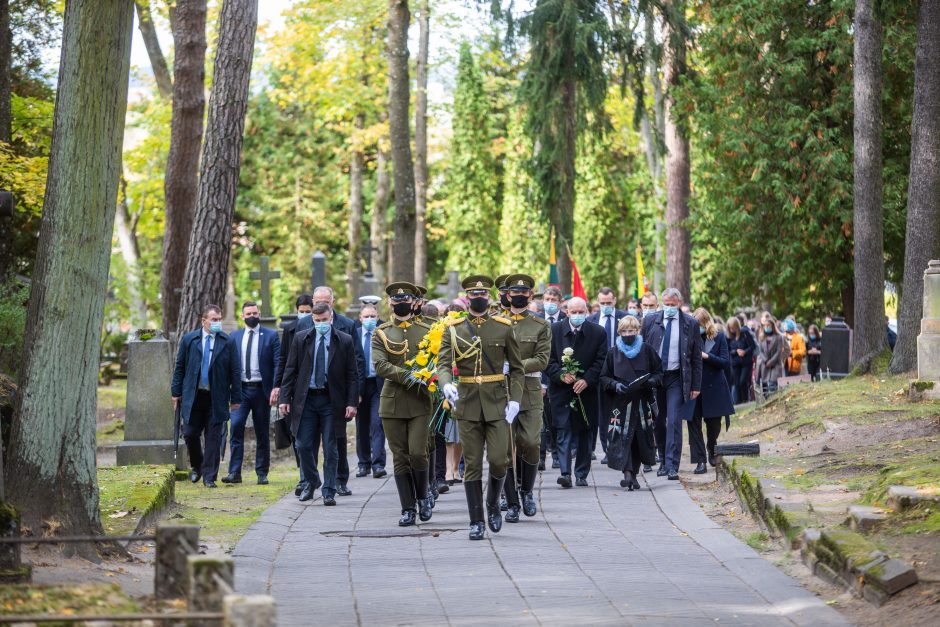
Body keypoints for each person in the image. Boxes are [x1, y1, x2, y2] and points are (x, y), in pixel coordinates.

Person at [437, 275, 524, 541]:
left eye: (482, 294)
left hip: (498, 402)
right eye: (473, 294)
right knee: (472, 464)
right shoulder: (454, 328)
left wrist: (515, 399)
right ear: (467, 298)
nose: (478, 298)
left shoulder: (503, 326)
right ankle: (476, 520)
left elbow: (518, 369)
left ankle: (493, 503)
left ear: (489, 297)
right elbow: (442, 363)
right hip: (467, 404)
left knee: (500, 460)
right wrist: (446, 384)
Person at [279, 302, 358, 506]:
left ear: (331, 318)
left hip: (332, 401)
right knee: (302, 444)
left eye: (324, 320)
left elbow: (352, 375)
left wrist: (351, 402)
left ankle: (329, 490)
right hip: (306, 400)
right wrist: (283, 399)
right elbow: (290, 370)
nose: (321, 324)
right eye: (317, 321)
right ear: (312, 320)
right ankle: (312, 481)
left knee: (331, 447)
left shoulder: (344, 340)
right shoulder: (301, 338)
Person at [372, 282, 435, 526]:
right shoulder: (382, 332)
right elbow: (380, 365)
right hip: (393, 403)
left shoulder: (428, 330)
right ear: (390, 303)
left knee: (418, 453)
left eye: (405, 299)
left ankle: (422, 497)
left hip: (420, 401)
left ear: (414, 302)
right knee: (400, 457)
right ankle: (407, 508)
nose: (401, 304)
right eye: (396, 300)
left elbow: (438, 358)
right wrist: (409, 376)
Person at [171, 304, 242, 488]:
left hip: (216, 397)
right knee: (189, 433)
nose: (218, 323)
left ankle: (209, 477)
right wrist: (175, 393)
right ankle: (197, 466)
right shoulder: (189, 340)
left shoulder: (227, 342)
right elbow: (179, 367)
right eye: (214, 320)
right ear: (204, 321)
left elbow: (235, 371)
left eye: (219, 319)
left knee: (213, 438)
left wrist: (236, 398)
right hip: (193, 396)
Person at [500, 274, 551, 523]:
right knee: (506, 448)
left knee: (530, 442)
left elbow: (542, 359)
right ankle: (511, 501)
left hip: (529, 390)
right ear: (508, 295)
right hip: (501, 391)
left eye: (524, 292)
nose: (519, 296)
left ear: (530, 295)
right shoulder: (495, 322)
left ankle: (527, 491)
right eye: (514, 293)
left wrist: (514, 365)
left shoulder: (540, 325)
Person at [544, 297, 608, 488]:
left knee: (585, 432)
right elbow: (547, 359)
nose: (578, 315)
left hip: (586, 391)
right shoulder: (554, 331)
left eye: (581, 312)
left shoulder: (598, 332)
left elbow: (601, 360)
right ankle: (565, 473)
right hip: (561, 390)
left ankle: (581, 473)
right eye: (574, 312)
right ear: (567, 312)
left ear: (587, 311)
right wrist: (560, 375)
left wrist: (587, 379)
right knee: (563, 430)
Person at [640, 288, 702, 480]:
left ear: (679, 303)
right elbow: (641, 349)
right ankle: (662, 460)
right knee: (658, 421)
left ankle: (672, 464)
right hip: (656, 377)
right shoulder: (651, 321)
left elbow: (696, 357)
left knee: (674, 420)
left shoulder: (690, 324)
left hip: (677, 377)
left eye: (672, 305)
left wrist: (696, 385)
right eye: (666, 304)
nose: (669, 308)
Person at [600, 315, 662, 490]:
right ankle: (627, 473)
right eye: (625, 331)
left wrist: (651, 381)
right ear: (620, 332)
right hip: (621, 404)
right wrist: (615, 385)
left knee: (639, 439)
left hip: (642, 403)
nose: (628, 334)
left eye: (632, 330)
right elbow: (604, 377)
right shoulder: (613, 353)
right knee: (622, 437)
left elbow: (659, 372)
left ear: (637, 331)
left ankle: (633, 474)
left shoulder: (647, 350)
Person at [223, 301, 281, 485]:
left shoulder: (271, 336)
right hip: (240, 391)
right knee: (236, 428)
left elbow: (278, 362)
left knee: (262, 432)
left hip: (261, 390)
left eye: (255, 313)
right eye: (248, 313)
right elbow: (227, 365)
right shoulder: (234, 337)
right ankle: (234, 472)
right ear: (242, 316)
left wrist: (276, 386)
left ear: (259, 314)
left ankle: (262, 473)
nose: (252, 316)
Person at [274, 294, 314, 496]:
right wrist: (278, 388)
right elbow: (284, 362)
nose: (305, 315)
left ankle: (309, 476)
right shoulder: (290, 330)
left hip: (314, 389)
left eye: (309, 311)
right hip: (295, 389)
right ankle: (303, 476)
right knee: (298, 435)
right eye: (302, 311)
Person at [687, 308, 735, 471]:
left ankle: (711, 446)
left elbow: (724, 362)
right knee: (693, 423)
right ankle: (700, 460)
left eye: (699, 324)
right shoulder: (688, 337)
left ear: (706, 323)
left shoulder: (719, 337)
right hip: (694, 386)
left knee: (714, 424)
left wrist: (707, 356)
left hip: (713, 387)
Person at [588, 287, 627, 463]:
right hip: (597, 372)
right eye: (602, 303)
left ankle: (617, 446)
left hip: (619, 372)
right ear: (598, 302)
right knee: (601, 414)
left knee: (617, 412)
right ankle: (606, 448)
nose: (605, 306)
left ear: (614, 301)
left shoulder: (624, 318)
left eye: (608, 303)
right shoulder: (591, 320)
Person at [354, 303, 386, 479]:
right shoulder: (355, 335)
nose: (369, 320)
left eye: (372, 316)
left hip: (378, 384)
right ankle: (363, 463)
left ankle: (378, 464)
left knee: (377, 423)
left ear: (378, 317)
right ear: (360, 318)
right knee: (361, 425)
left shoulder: (383, 335)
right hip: (360, 385)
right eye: (366, 317)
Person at [726, 316, 755, 405]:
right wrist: (736, 351)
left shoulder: (745, 333)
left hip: (746, 362)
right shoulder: (728, 338)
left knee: (743, 381)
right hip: (735, 363)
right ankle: (739, 403)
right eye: (730, 328)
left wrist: (745, 351)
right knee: (737, 383)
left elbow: (753, 346)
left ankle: (745, 401)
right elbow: (728, 350)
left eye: (733, 328)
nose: (732, 330)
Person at [755, 314, 785, 397]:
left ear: (773, 326)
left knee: (773, 386)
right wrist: (765, 360)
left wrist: (771, 362)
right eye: (766, 326)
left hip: (775, 365)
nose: (767, 327)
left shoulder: (779, 337)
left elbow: (779, 352)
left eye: (769, 325)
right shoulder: (761, 337)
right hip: (765, 365)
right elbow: (760, 351)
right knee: (765, 388)